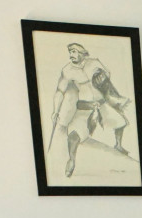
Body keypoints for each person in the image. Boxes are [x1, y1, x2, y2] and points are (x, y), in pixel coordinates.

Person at [49, 42, 132, 177]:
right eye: (70, 52)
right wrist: (55, 111)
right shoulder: (67, 70)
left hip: (102, 104)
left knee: (120, 122)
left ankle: (118, 145)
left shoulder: (94, 63)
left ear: (82, 52)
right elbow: (60, 91)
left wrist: (103, 77)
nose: (71, 55)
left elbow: (107, 74)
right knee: (73, 136)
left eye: (74, 52)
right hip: (84, 107)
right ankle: (71, 160)